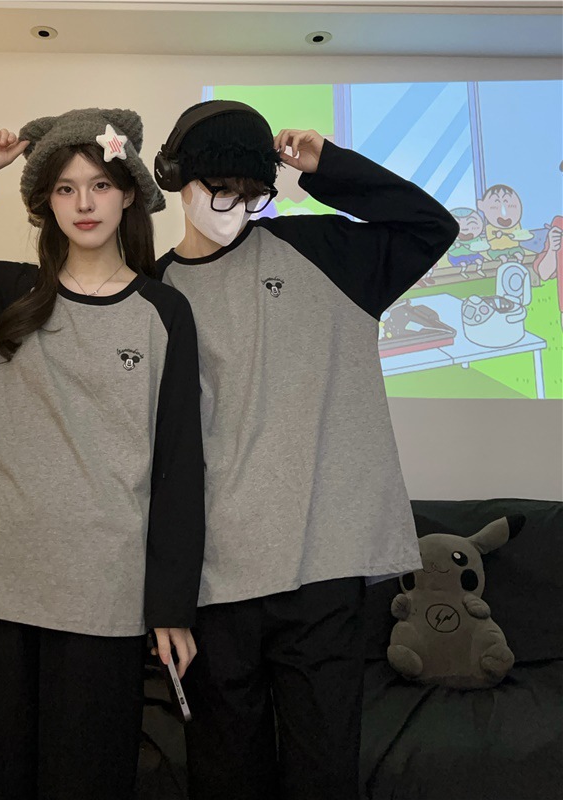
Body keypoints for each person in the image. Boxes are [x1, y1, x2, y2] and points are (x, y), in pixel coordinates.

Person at [0, 107, 205, 800]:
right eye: (65, 188)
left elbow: (178, 465)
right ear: (46, 202)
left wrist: (172, 605)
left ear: (129, 194)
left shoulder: (164, 313)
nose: (84, 203)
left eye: (100, 185)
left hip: (103, 595)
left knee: (88, 779)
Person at [153, 100, 459, 800]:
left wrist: (330, 169)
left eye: (251, 193)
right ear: (179, 179)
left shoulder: (322, 252)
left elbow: (431, 227)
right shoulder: (152, 294)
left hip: (322, 569)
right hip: (212, 583)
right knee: (225, 779)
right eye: (220, 189)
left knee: (324, 775)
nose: (235, 207)